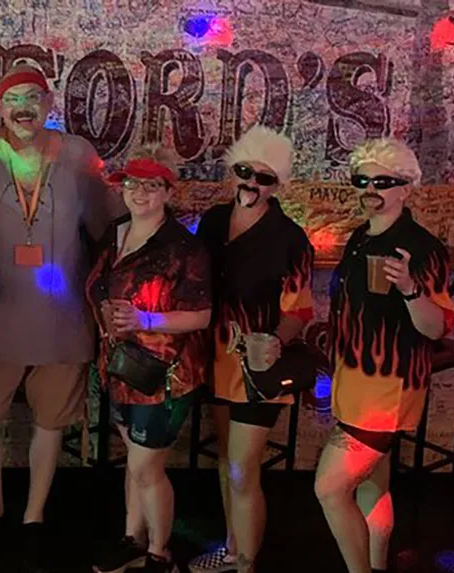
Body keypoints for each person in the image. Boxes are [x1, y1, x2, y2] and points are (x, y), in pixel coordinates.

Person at [0, 63, 120, 572]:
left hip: (61, 315)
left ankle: (34, 515)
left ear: (49, 104)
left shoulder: (76, 155)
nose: (23, 107)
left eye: (34, 97)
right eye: (13, 98)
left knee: (52, 420)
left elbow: (112, 226)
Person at [315, 138, 454, 573]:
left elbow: (437, 327)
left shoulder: (421, 247)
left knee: (329, 488)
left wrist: (411, 288)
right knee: (373, 483)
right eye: (363, 180)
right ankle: (377, 565)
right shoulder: (361, 235)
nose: (370, 188)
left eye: (383, 181)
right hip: (355, 383)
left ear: (406, 188)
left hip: (385, 390)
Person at [189, 126, 314, 573]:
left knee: (242, 470)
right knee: (227, 463)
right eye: (245, 172)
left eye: (264, 178)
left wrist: (275, 339)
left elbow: (300, 309)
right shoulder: (212, 223)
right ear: (233, 171)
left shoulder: (290, 237)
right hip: (215, 359)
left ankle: (245, 563)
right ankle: (232, 547)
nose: (252, 184)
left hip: (260, 367)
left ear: (276, 185)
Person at [87, 150, 212, 573]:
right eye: (132, 184)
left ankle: (160, 553)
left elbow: (202, 314)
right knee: (135, 462)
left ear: (167, 192)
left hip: (164, 375)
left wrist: (145, 318)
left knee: (145, 467)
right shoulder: (115, 232)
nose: (139, 192)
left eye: (151, 185)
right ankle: (132, 537)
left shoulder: (184, 247)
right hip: (120, 368)